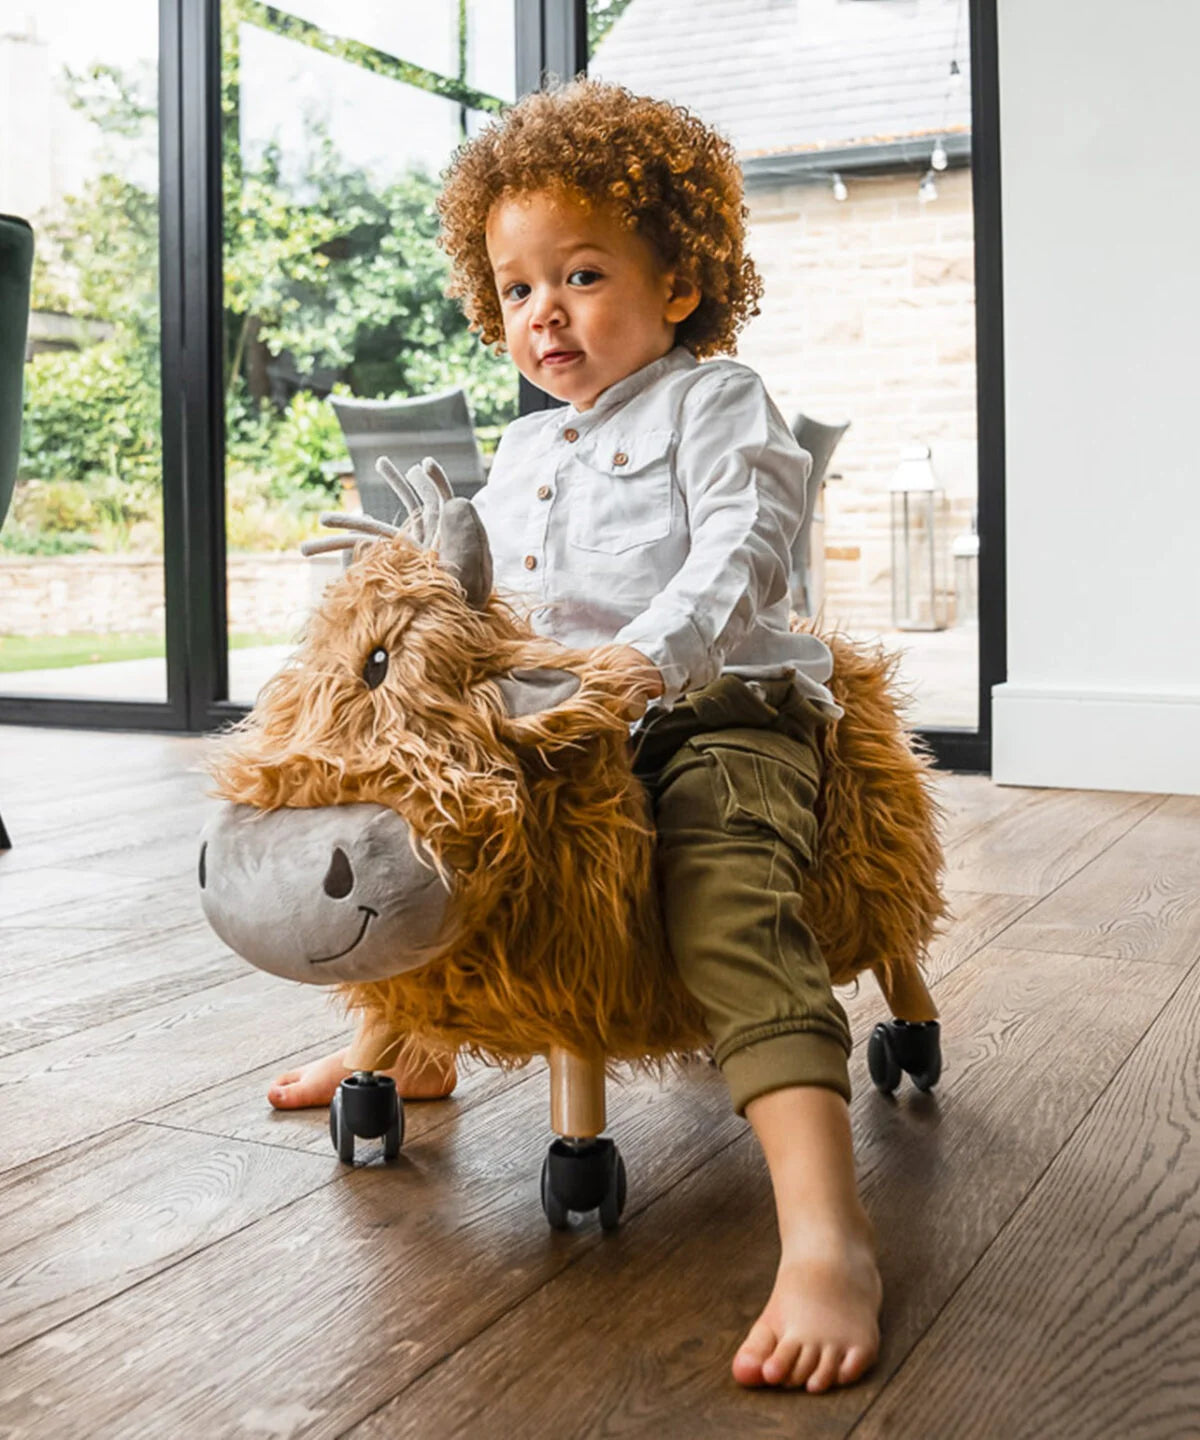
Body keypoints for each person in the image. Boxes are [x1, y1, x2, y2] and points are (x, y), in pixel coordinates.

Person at [269, 76, 880, 1394]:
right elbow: (484, 592)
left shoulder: (718, 403)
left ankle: (826, 1234)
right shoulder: (526, 445)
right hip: (555, 714)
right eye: (519, 286)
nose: (546, 310)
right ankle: (414, 1037)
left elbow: (749, 548)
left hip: (716, 706)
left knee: (726, 887)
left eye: (585, 273)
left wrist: (645, 660)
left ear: (679, 280)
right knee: (435, 831)